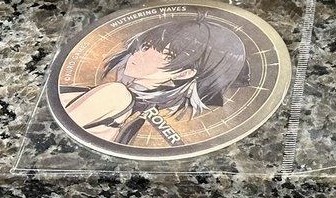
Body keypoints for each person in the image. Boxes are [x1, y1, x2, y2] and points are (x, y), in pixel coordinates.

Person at [60, 15, 249, 145]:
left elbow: (58, 135)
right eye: (149, 44)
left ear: (184, 74)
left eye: (166, 54)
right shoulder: (129, 107)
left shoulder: (116, 95)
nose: (142, 53)